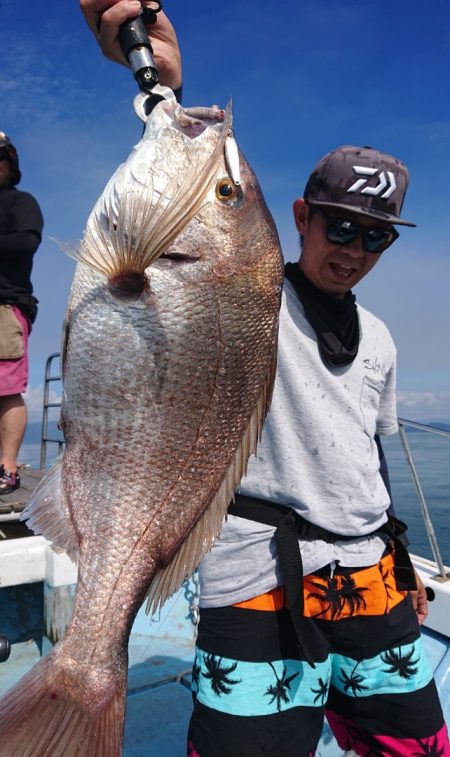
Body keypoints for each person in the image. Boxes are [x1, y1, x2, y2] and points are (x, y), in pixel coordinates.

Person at [81, 4, 450, 756]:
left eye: (374, 235)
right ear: (301, 216)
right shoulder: (248, 296)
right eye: (339, 224)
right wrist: (163, 88)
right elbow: (186, 211)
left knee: (417, 744)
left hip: (372, 567)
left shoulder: (377, 337)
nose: (353, 248)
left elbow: (368, 456)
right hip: (258, 569)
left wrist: (402, 552)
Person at [0, 133, 43, 494]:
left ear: (10, 166)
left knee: (7, 389)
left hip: (6, 305)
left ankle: (7, 469)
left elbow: (27, 240)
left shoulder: (20, 202)